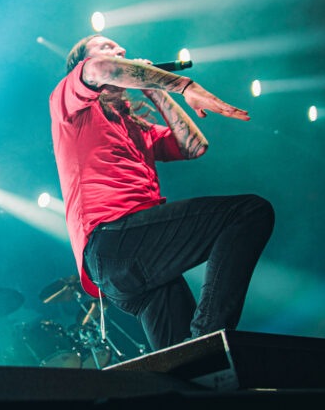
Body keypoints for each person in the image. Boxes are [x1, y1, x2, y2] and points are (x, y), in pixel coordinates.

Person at [49, 34, 274, 352]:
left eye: (119, 48)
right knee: (249, 212)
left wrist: (156, 90)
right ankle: (207, 342)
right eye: (107, 46)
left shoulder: (136, 125)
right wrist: (183, 85)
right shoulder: (69, 101)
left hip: (137, 260)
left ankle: (199, 362)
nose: (120, 50)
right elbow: (99, 68)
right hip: (113, 238)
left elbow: (194, 146)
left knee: (187, 368)